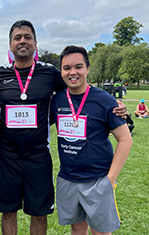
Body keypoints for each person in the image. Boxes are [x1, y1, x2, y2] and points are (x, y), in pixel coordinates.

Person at [0, 20, 127, 235]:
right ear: (10, 44)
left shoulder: (50, 72)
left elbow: (77, 90)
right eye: (17, 37)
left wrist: (112, 105)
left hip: (38, 157)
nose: (22, 41)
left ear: (35, 43)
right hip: (6, 156)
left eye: (27, 37)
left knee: (39, 212)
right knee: (8, 212)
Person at [50, 45, 133, 235]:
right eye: (67, 68)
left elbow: (125, 140)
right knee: (77, 228)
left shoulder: (105, 100)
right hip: (67, 178)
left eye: (78, 67)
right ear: (61, 71)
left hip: (98, 179)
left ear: (87, 68)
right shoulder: (57, 101)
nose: (73, 72)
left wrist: (110, 180)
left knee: (100, 231)